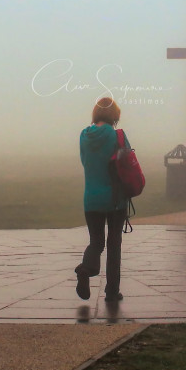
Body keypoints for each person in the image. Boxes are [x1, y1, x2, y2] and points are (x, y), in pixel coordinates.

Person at [75, 96, 129, 302]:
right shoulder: (117, 136)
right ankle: (112, 292)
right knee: (114, 243)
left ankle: (86, 269)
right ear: (115, 115)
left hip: (91, 198)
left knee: (96, 242)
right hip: (115, 199)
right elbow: (127, 163)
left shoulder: (83, 135)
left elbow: (84, 162)